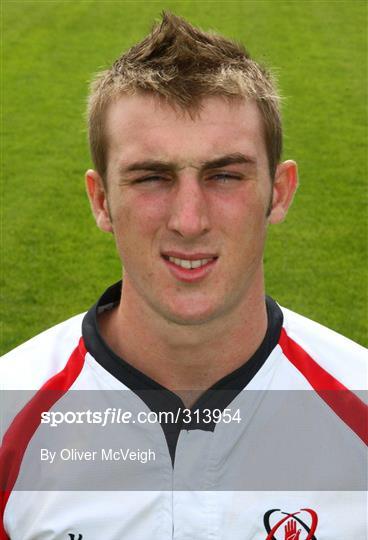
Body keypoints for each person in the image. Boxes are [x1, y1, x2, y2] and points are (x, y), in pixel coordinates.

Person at [1, 12, 366, 540]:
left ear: (279, 192)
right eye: (152, 178)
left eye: (224, 175)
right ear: (101, 201)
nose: (189, 221)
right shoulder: (11, 417)